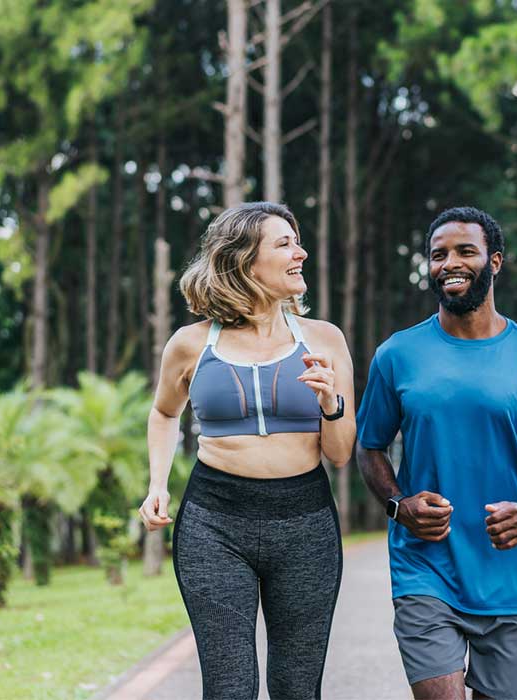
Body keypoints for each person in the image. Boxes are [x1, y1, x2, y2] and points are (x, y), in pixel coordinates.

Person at [355, 206, 517, 700]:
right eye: (438, 255)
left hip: (512, 574)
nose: (449, 264)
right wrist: (399, 505)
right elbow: (369, 446)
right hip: (424, 568)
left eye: (465, 251)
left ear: (494, 261)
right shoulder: (397, 355)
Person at [139, 201, 356, 700]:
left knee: (296, 687)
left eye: (297, 242)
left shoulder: (324, 340)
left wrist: (331, 403)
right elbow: (165, 413)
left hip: (305, 524)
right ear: (245, 261)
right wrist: (157, 485)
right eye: (284, 244)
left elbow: (341, 454)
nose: (301, 253)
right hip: (214, 523)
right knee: (229, 687)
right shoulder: (191, 344)